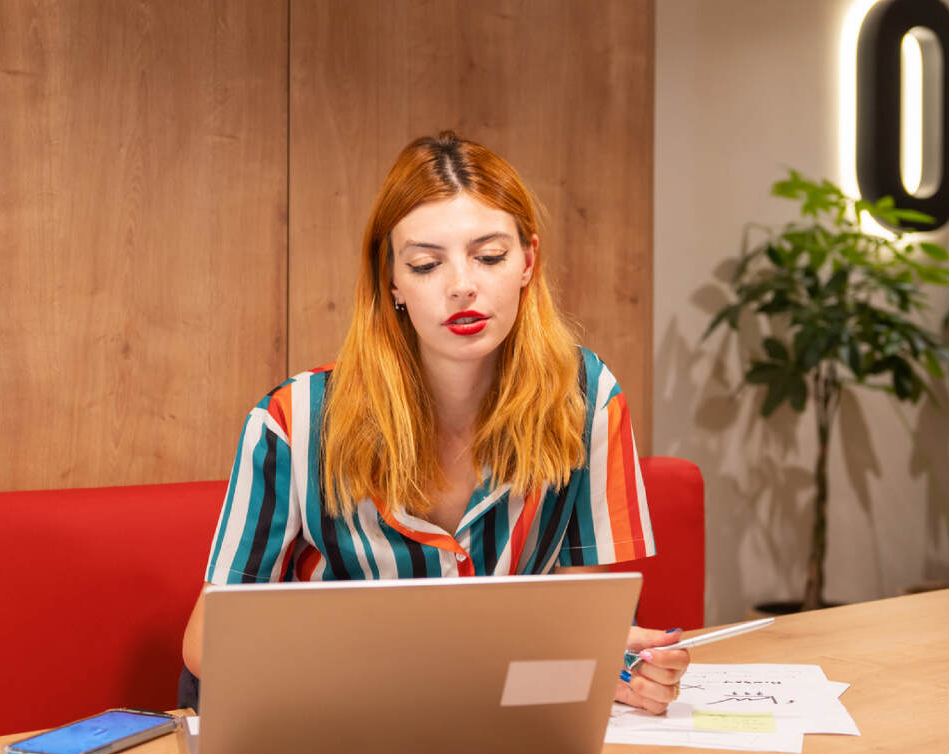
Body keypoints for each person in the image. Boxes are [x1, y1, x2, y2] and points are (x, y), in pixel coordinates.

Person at [179, 131, 689, 714]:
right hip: (328, 710)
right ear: (391, 280)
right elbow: (207, 645)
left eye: (490, 256)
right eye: (425, 264)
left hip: (496, 712)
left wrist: (625, 667)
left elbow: (583, 617)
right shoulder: (293, 421)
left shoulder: (586, 397)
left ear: (528, 261)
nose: (462, 285)